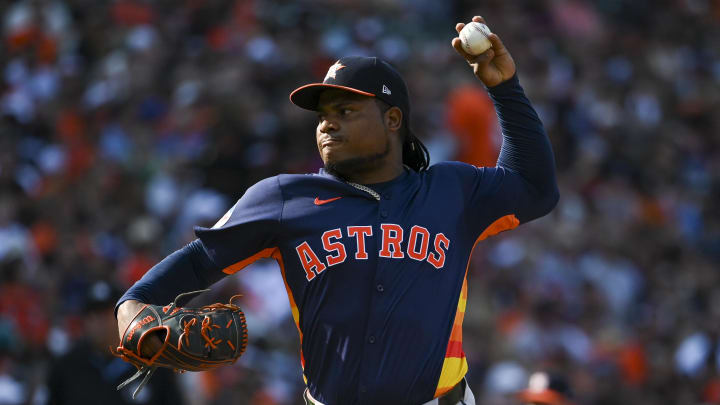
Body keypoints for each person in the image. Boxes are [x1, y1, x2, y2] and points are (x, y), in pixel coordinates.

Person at [115, 15, 558, 405]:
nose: (328, 122)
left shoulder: (451, 189)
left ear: (393, 120)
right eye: (323, 113)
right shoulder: (285, 197)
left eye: (346, 109)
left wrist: (504, 88)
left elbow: (535, 188)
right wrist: (132, 310)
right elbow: (194, 264)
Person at [48, 281, 183, 405]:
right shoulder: (66, 367)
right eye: (93, 315)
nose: (100, 322)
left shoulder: (154, 365)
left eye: (107, 313)